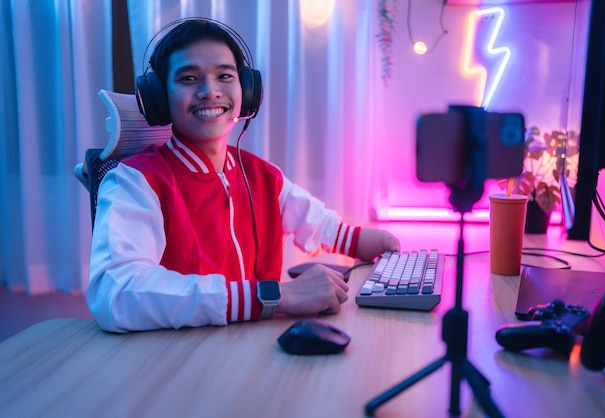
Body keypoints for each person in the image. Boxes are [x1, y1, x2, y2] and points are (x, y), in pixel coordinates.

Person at [87, 19, 400, 333]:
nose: (210, 91)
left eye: (224, 75)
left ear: (247, 90)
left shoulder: (261, 175)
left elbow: (318, 223)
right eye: (189, 78)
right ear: (158, 96)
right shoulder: (134, 181)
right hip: (177, 358)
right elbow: (116, 292)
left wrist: (371, 244)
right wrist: (271, 297)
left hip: (253, 349)